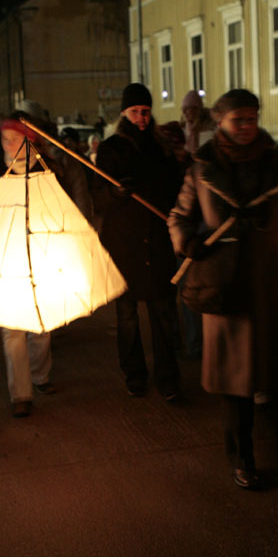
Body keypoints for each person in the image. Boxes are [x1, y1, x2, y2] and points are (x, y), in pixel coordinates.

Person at [169, 89, 278, 491]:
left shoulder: (275, 162)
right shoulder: (202, 167)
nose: (248, 127)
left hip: (272, 283)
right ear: (220, 122)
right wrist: (188, 242)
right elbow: (179, 216)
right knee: (237, 384)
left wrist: (269, 216)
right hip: (226, 284)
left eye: (253, 118)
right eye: (239, 120)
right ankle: (241, 458)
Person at [0, 117, 92, 418]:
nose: (10, 145)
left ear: (31, 141)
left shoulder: (50, 173)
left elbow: (63, 210)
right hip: (6, 257)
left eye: (16, 138)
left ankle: (40, 376)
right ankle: (20, 393)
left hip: (43, 255)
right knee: (12, 328)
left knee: (41, 324)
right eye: (5, 139)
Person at [94, 83, 182, 400]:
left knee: (162, 313)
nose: (142, 119)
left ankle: (168, 377)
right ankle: (134, 374)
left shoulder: (161, 148)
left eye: (145, 112)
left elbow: (175, 189)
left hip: (157, 242)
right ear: (124, 113)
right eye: (135, 112)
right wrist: (114, 194)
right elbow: (98, 199)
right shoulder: (110, 149)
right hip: (125, 244)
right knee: (127, 316)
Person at [180, 89, 216, 154]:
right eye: (182, 109)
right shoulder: (182, 131)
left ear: (197, 109)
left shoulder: (211, 130)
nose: (184, 112)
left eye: (187, 108)